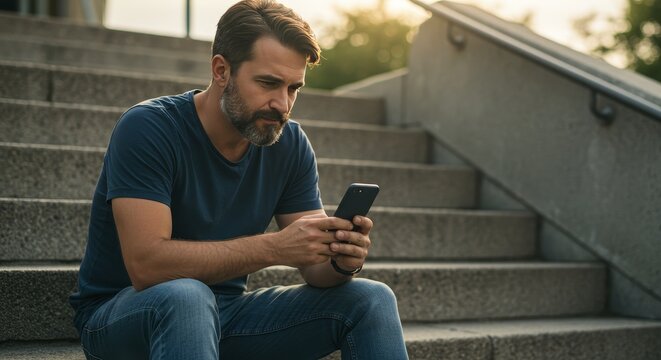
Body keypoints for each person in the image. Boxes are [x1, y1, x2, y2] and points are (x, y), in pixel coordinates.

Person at [69, 1, 408, 359]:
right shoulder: (149, 128)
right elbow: (146, 266)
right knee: (187, 296)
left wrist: (340, 258)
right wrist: (274, 248)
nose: (282, 104)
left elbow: (315, 269)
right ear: (221, 70)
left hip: (225, 314)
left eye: (294, 88)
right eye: (268, 83)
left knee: (371, 298)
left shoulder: (288, 143)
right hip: (125, 316)